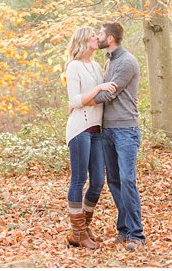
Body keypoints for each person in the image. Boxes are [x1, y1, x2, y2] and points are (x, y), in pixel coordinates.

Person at [91, 22, 144, 250]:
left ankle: (137, 235)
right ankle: (123, 229)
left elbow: (108, 95)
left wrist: (81, 100)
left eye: (101, 34)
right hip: (107, 130)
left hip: (125, 130)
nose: (99, 37)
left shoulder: (127, 62)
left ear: (110, 38)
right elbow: (104, 89)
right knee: (113, 181)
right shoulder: (109, 60)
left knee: (127, 180)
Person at [64, 25, 117, 249]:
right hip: (79, 129)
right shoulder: (73, 67)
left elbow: (107, 93)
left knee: (97, 181)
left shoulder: (96, 65)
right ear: (84, 41)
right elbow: (75, 101)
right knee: (79, 180)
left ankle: (83, 228)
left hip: (97, 129)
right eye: (94, 36)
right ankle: (78, 232)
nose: (97, 38)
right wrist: (98, 89)